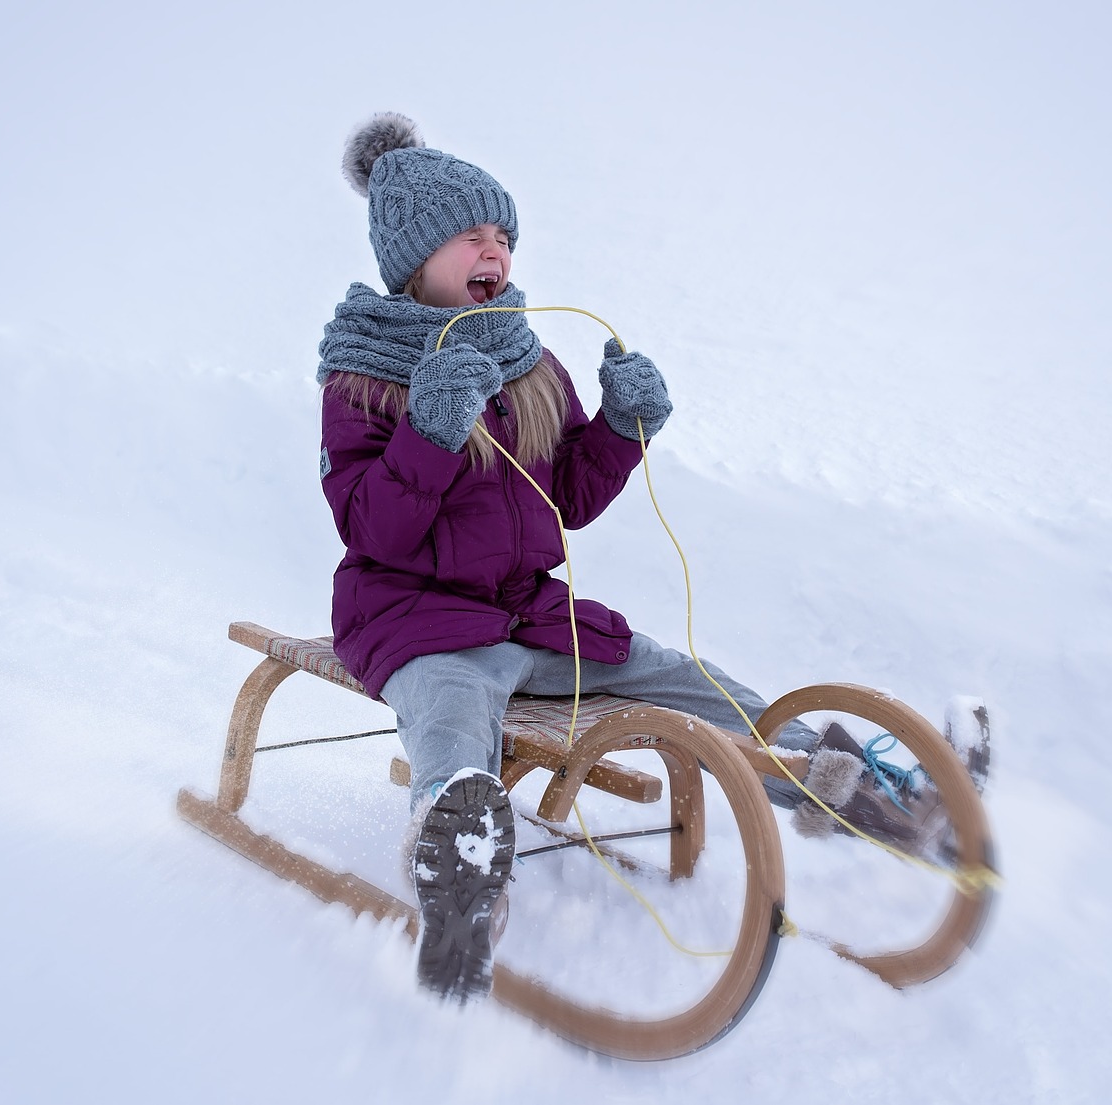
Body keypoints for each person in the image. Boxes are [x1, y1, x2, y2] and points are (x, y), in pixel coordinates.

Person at [315, 114, 938, 1003]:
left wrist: (620, 426)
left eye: (505, 235)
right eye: (472, 235)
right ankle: (458, 868)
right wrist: (429, 429)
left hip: (531, 614)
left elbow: (565, 495)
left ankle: (845, 780)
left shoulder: (527, 362)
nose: (496, 250)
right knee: (453, 715)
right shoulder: (363, 379)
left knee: (681, 674)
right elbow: (371, 530)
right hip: (418, 624)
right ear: (416, 255)